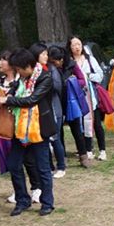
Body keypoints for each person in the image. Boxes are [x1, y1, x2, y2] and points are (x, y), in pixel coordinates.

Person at [0, 48, 56, 216]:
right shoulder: (21, 78)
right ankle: (22, 200)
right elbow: (14, 89)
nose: (18, 72)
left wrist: (9, 100)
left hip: (39, 129)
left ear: (28, 66)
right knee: (14, 164)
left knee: (42, 167)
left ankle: (47, 202)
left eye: (19, 69)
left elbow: (32, 100)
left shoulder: (45, 78)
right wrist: (9, 94)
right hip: (20, 128)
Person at [67, 36, 106, 161]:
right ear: (69, 47)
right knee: (83, 124)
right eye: (74, 45)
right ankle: (88, 149)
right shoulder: (69, 62)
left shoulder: (89, 59)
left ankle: (102, 150)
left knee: (96, 123)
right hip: (77, 97)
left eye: (78, 44)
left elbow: (100, 75)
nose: (77, 47)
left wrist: (87, 76)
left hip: (91, 96)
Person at [59, 50, 90, 168]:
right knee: (59, 132)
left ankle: (83, 155)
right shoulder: (52, 67)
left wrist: (72, 81)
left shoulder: (72, 65)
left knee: (77, 130)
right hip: (58, 101)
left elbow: (82, 80)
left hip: (71, 101)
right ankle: (62, 157)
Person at [46, 46, 67, 178]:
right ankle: (49, 166)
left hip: (54, 108)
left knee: (55, 138)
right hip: (48, 109)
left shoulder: (52, 70)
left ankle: (61, 166)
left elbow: (58, 89)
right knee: (47, 139)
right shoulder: (45, 69)